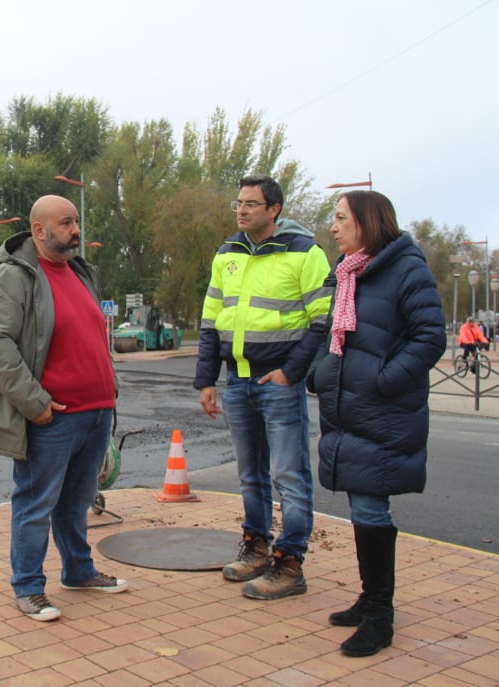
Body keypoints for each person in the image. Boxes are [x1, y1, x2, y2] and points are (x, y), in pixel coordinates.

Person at [0, 194, 126, 622]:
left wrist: (109, 389)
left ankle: (79, 571)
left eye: (76, 222)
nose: (76, 230)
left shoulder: (79, 271)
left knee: (77, 501)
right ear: (39, 230)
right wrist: (34, 404)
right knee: (35, 503)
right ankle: (29, 587)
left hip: (95, 411)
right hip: (52, 416)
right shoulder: (12, 278)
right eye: (67, 223)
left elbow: (89, 337)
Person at [308, 190, 446, 657]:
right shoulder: (349, 273)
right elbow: (333, 334)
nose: (333, 226)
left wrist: (386, 379)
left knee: (370, 508)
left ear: (367, 222)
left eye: (341, 218)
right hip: (350, 410)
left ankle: (380, 617)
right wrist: (320, 374)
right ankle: (369, 600)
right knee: (361, 505)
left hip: (383, 410)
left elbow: (430, 337)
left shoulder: (407, 269)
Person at [194, 174, 332, 600]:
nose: (242, 209)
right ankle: (256, 546)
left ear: (274, 209)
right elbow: (211, 319)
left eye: (252, 203)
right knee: (250, 475)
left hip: (278, 382)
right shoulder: (227, 253)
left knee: (289, 474)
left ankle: (290, 564)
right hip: (237, 380)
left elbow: (320, 321)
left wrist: (291, 372)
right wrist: (206, 379)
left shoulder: (305, 252)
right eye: (239, 202)